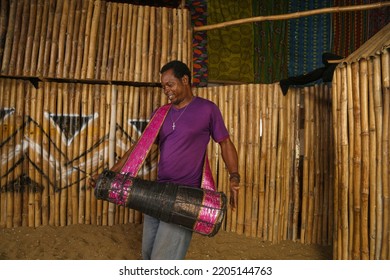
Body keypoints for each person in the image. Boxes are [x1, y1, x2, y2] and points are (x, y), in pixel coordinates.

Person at [91, 60, 240, 260]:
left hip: (184, 198)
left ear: (185, 80)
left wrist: (234, 175)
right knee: (148, 256)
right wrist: (108, 175)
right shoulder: (161, 113)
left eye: (170, 84)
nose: (166, 90)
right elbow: (138, 149)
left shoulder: (207, 109)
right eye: (163, 86)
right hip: (156, 194)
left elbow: (225, 143)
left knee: (164, 261)